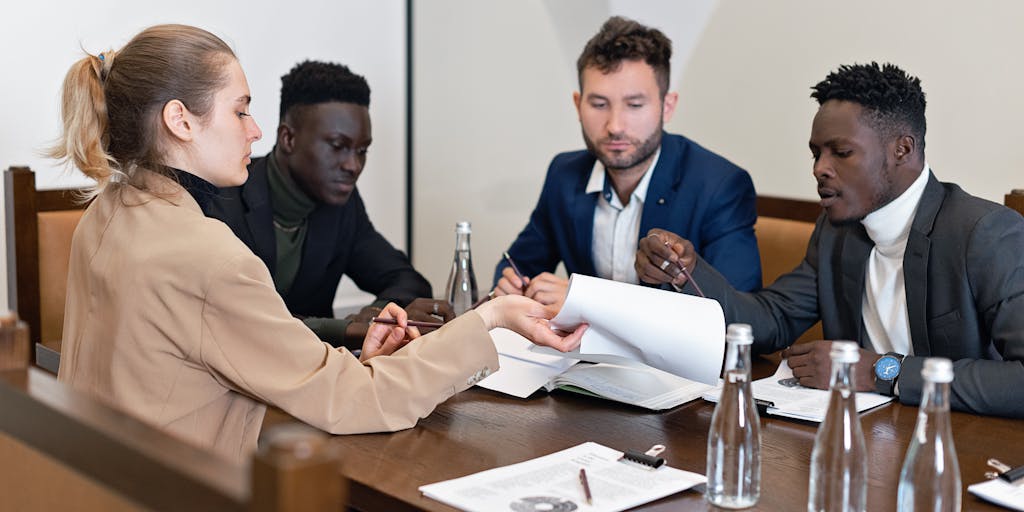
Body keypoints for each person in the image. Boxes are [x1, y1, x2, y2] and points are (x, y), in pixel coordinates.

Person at [50, 24, 586, 462]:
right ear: (180, 121)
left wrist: (340, 359)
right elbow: (362, 402)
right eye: (240, 110)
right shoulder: (209, 257)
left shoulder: (107, 213)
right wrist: (488, 319)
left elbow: (190, 367)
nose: (254, 129)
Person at [637, 62, 1024, 418]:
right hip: (862, 443)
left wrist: (880, 371)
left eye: (841, 152)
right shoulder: (836, 230)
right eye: (816, 154)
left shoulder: (985, 233)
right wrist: (686, 271)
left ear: (902, 150)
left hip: (962, 454)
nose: (820, 169)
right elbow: (771, 320)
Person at [492, 16, 761, 308]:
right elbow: (517, 268)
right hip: (580, 352)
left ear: (667, 106)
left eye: (634, 105)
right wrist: (514, 285)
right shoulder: (564, 174)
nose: (615, 126)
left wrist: (588, 299)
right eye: (598, 104)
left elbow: (736, 313)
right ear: (577, 105)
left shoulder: (719, 184)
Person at [207, 61, 445, 350]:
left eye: (361, 150)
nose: (353, 165)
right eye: (337, 145)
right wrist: (349, 329)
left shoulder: (342, 205)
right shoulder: (220, 199)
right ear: (288, 139)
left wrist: (379, 317)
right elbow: (243, 321)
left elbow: (406, 280)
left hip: (318, 378)